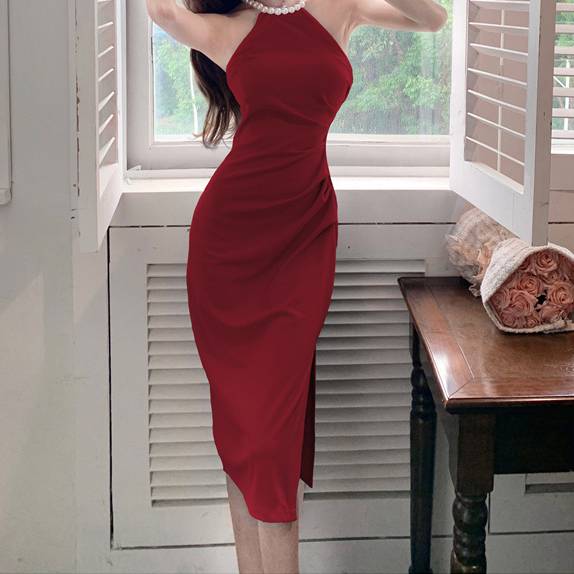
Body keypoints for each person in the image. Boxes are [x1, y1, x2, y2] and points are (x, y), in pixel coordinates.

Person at [146, 0, 447, 572]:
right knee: (245, 429)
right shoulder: (228, 27)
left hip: (304, 236)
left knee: (270, 434)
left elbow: (432, 18)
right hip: (229, 247)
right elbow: (162, 11)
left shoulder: (342, 7)